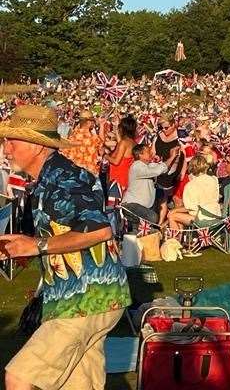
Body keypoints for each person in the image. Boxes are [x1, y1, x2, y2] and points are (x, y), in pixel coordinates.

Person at [0, 104, 130, 390]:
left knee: (19, 378)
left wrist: (37, 246)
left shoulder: (63, 177)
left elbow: (99, 229)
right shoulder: (49, 178)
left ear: (36, 145)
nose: (6, 149)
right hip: (91, 297)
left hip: (85, 298)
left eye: (12, 141)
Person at [166, 156, 222, 232]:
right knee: (176, 213)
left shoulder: (190, 185)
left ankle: (175, 241)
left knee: (172, 216)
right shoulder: (214, 179)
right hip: (216, 215)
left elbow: (190, 208)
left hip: (203, 219)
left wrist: (174, 210)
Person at [121, 143, 169, 223]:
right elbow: (157, 170)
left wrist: (162, 161)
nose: (151, 153)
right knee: (152, 217)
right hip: (131, 205)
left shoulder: (147, 166)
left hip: (143, 207)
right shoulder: (137, 166)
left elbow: (164, 169)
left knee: (148, 222)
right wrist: (172, 156)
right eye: (148, 151)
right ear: (140, 155)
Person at [106, 115, 136, 192]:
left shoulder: (124, 143)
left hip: (118, 178)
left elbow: (116, 162)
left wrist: (105, 156)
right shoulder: (133, 143)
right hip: (126, 177)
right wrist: (115, 127)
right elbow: (120, 144)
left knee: (114, 202)